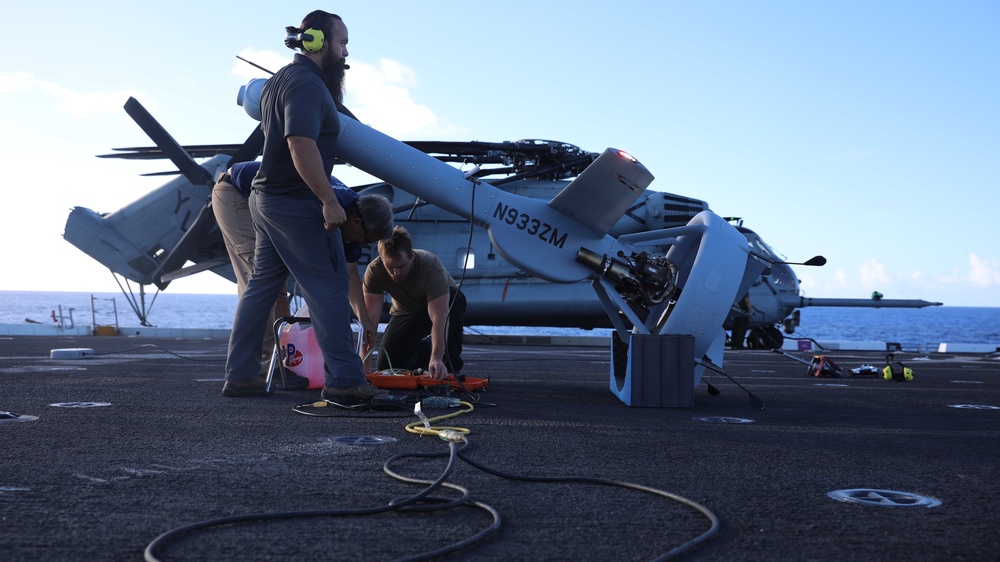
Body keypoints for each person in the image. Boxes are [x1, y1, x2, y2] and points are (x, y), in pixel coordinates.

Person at [223, 9, 383, 404]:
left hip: (264, 199)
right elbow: (300, 143)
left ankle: (240, 376)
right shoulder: (309, 86)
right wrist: (329, 200)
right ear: (316, 43)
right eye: (342, 43)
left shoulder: (282, 79)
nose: (346, 53)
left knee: (260, 288)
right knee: (327, 286)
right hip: (294, 203)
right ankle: (345, 381)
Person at [213, 160, 392, 387]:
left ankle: (277, 365)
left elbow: (350, 270)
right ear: (356, 222)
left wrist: (364, 318)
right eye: (366, 239)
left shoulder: (351, 218)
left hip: (270, 198)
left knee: (275, 289)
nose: (364, 244)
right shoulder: (327, 208)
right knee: (259, 281)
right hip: (238, 193)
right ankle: (252, 371)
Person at [362, 226, 466, 379]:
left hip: (440, 306)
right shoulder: (374, 271)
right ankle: (427, 350)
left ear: (412, 256)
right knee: (388, 367)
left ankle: (448, 365)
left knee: (455, 297)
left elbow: (440, 317)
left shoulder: (430, 266)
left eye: (401, 266)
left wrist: (437, 357)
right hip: (407, 311)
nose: (396, 273)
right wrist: (364, 364)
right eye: (390, 267)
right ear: (382, 259)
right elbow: (370, 320)